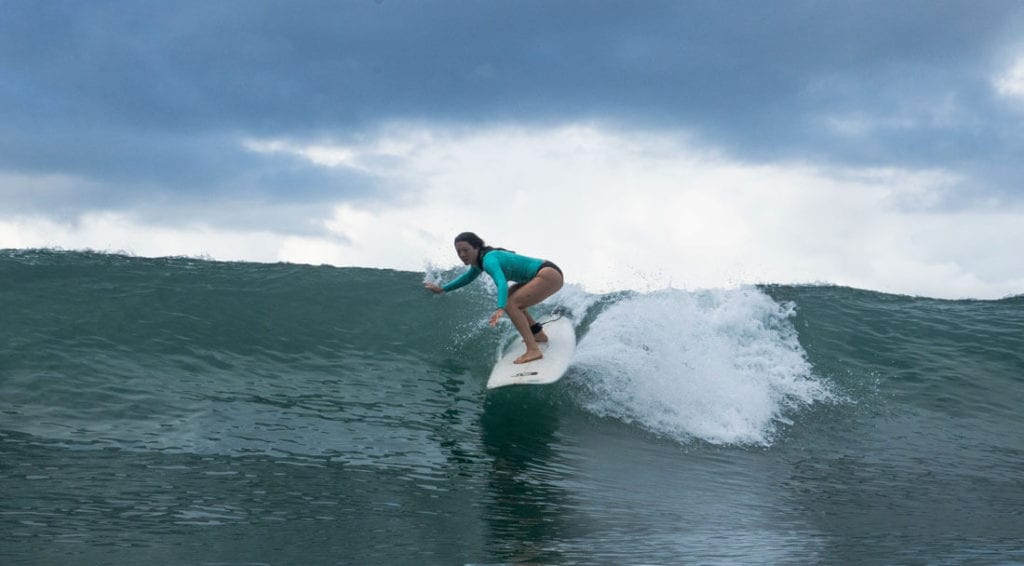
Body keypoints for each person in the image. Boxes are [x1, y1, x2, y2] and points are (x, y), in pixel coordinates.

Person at [425, 232, 564, 364]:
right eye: (458, 251)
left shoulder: (488, 260)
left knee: (511, 304)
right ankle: (538, 335)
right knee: (512, 298)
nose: (462, 254)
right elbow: (466, 278)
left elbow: (501, 282)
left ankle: (533, 350)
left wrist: (500, 307)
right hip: (545, 273)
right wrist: (442, 289)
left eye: (465, 250)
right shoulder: (480, 261)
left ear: (476, 247)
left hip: (548, 274)